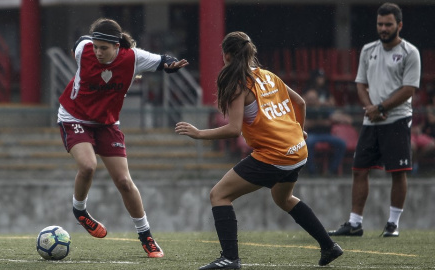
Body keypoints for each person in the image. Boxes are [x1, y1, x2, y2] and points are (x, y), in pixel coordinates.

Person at [175, 31, 342, 269]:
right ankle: (329, 246)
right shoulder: (268, 75)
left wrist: (199, 133)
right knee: (283, 198)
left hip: (275, 155)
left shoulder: (238, 84)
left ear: (227, 55)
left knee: (219, 195)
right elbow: (301, 103)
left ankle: (230, 259)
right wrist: (299, 132)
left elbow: (233, 130)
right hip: (298, 151)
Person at [57, 18, 188, 257]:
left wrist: (171, 65)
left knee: (125, 182)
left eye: (103, 48)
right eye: (95, 46)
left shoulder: (133, 57)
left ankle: (146, 237)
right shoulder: (83, 50)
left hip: (107, 123)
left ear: (117, 46)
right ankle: (80, 211)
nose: (97, 52)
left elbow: (162, 61)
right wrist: (90, 40)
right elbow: (80, 41)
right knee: (88, 166)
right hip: (74, 117)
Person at [328, 3, 421, 237]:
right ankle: (355, 223)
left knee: (398, 171)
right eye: (380, 24)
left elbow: (409, 88)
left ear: (399, 25)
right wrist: (371, 108)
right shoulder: (368, 50)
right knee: (359, 169)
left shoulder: (411, 52)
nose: (383, 28)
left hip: (398, 118)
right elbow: (360, 83)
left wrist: (381, 107)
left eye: (388, 24)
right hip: (372, 120)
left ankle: (392, 224)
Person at [304, 89, 347, 177]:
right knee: (307, 143)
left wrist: (315, 123)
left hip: (327, 135)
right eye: (309, 99)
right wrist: (321, 122)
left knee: (341, 144)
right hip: (313, 135)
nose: (311, 101)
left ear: (317, 99)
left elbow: (334, 118)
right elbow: (305, 124)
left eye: (313, 98)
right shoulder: (305, 110)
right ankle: (311, 171)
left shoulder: (324, 108)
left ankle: (331, 170)